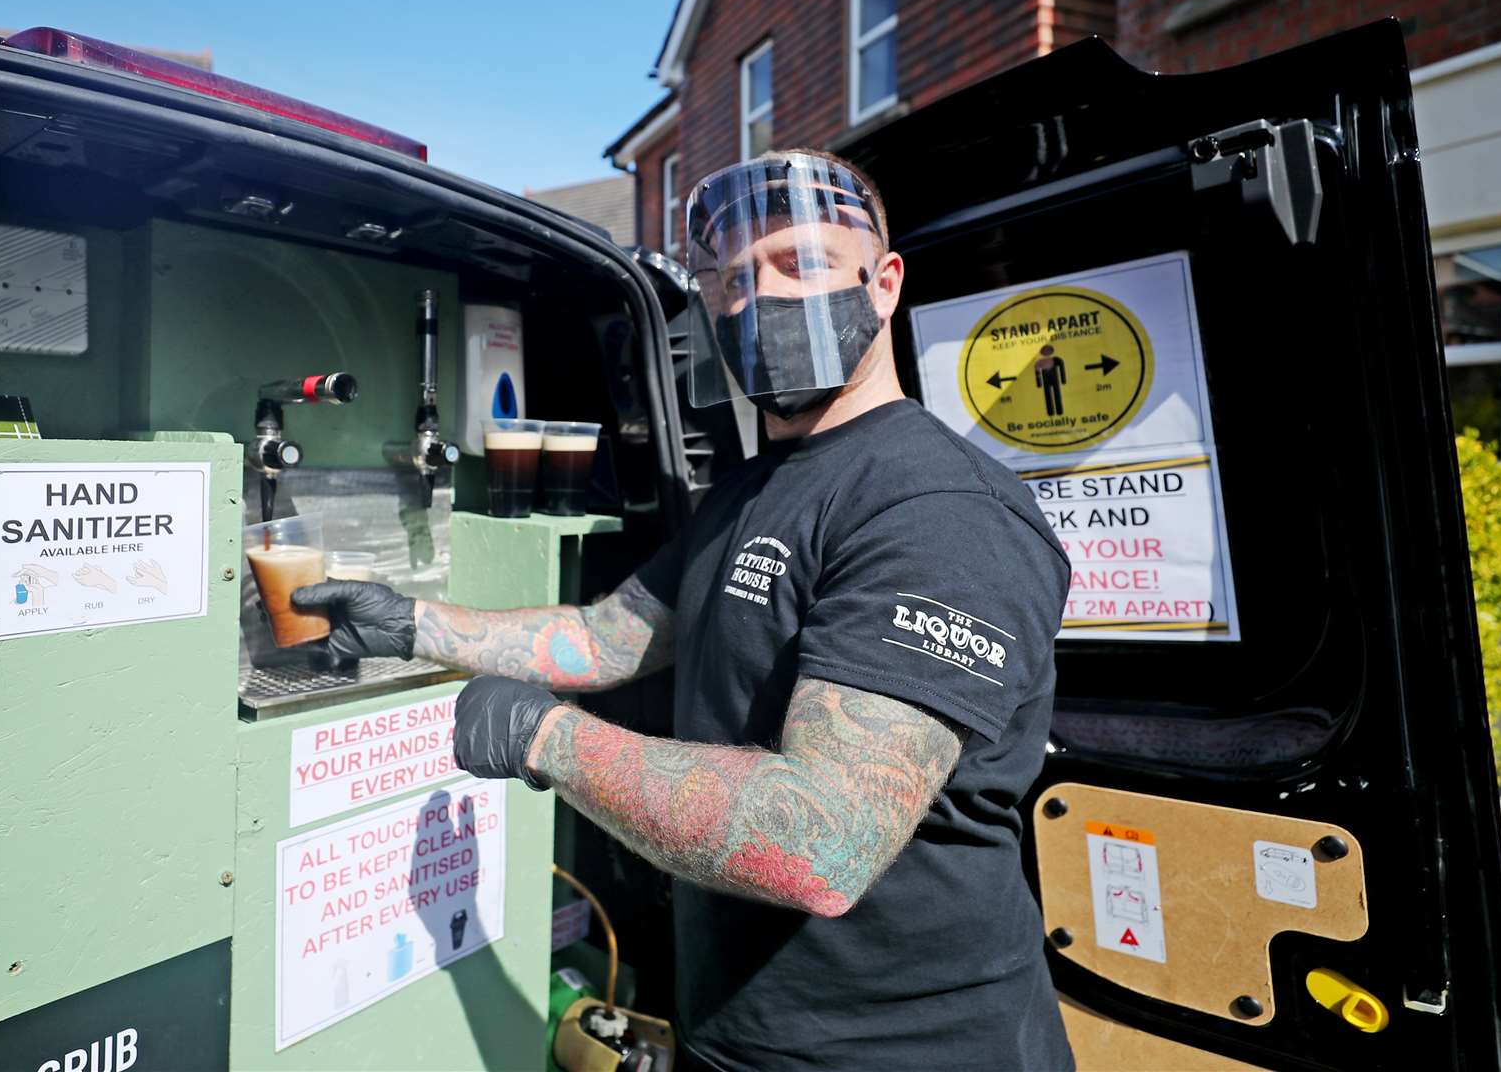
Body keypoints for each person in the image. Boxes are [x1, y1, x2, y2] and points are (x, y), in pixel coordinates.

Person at [292, 151, 1073, 1071]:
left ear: (885, 283)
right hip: (738, 1031)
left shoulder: (940, 513)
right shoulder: (752, 489)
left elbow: (819, 840)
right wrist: (411, 625)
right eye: (733, 278)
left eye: (802, 263)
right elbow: (608, 636)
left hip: (908, 1050)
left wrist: (545, 740)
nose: (761, 300)